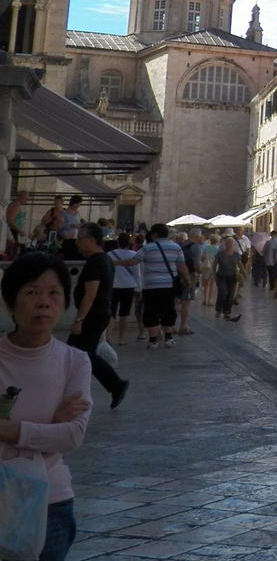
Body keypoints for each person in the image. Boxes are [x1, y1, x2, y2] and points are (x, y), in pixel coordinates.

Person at [0, 252, 93, 561]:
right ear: (11, 304)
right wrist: (49, 424)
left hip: (51, 500)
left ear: (65, 303)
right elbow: (58, 433)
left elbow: (72, 436)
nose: (44, 302)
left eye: (54, 293)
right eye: (31, 292)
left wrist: (13, 429)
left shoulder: (75, 362)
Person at [67, 225, 130, 410]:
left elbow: (90, 293)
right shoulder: (105, 260)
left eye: (80, 238)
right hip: (100, 313)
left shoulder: (96, 262)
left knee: (83, 354)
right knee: (74, 352)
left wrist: (79, 320)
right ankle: (72, 389)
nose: (77, 242)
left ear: (92, 240)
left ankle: (115, 384)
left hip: (93, 315)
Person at [111, 223, 190, 349]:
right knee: (168, 310)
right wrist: (188, 281)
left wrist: (115, 263)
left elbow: (133, 261)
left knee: (151, 311)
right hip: (169, 285)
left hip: (151, 286)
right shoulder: (176, 247)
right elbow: (182, 266)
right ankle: (169, 338)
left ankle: (153, 340)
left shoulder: (148, 248)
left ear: (155, 234)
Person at [108, 233, 139, 348]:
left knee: (111, 313)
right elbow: (137, 274)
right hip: (128, 287)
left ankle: (108, 337)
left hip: (113, 286)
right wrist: (139, 288)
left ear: (118, 242)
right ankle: (121, 338)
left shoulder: (109, 254)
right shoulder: (134, 254)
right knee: (124, 314)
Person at [211, 237, 242, 323]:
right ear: (225, 245)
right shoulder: (220, 254)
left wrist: (244, 274)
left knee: (230, 295)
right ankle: (218, 310)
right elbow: (214, 265)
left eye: (231, 244)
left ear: (233, 245)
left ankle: (227, 312)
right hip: (221, 276)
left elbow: (240, 265)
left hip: (232, 277)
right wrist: (213, 274)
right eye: (227, 244)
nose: (229, 245)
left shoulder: (236, 254)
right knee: (222, 292)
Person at [56, 197, 84, 261]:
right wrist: (71, 226)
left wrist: (79, 226)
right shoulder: (64, 213)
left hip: (75, 238)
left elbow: (78, 224)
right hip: (66, 237)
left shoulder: (77, 213)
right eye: (78, 204)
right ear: (73, 203)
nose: (78, 206)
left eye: (79, 204)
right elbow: (60, 226)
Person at [4, 188, 28, 256]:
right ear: (21, 197)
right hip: (13, 232)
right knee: (17, 252)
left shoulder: (17, 205)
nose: (27, 200)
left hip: (15, 232)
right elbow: (10, 221)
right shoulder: (16, 205)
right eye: (26, 198)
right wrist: (20, 230)